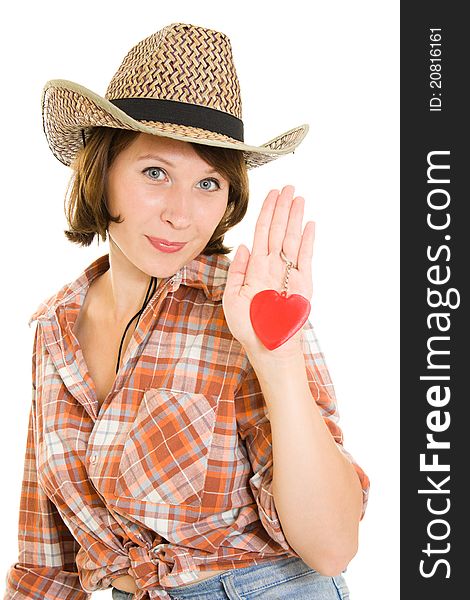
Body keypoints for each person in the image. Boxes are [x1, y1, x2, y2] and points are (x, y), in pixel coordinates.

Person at [4, 22, 369, 600]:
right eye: (156, 173)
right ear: (102, 175)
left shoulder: (248, 303)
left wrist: (275, 359)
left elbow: (332, 546)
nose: (182, 213)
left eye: (209, 183)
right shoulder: (54, 329)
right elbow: (44, 560)